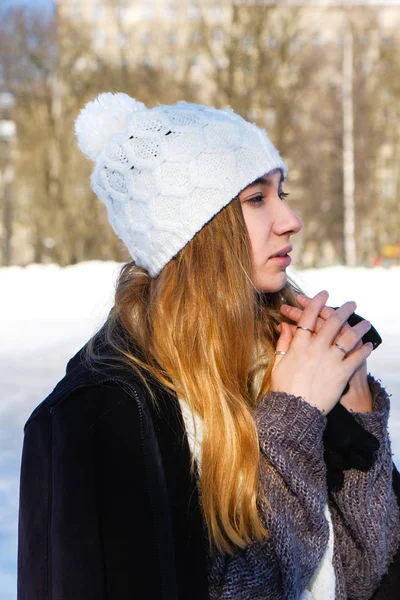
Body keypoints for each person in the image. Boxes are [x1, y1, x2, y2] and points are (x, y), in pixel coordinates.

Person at [17, 93, 400, 600]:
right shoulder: (99, 417)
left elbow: (377, 577)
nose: (291, 219)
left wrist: (358, 421)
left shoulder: (298, 362)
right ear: (195, 232)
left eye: (280, 192)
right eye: (257, 199)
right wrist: (291, 423)